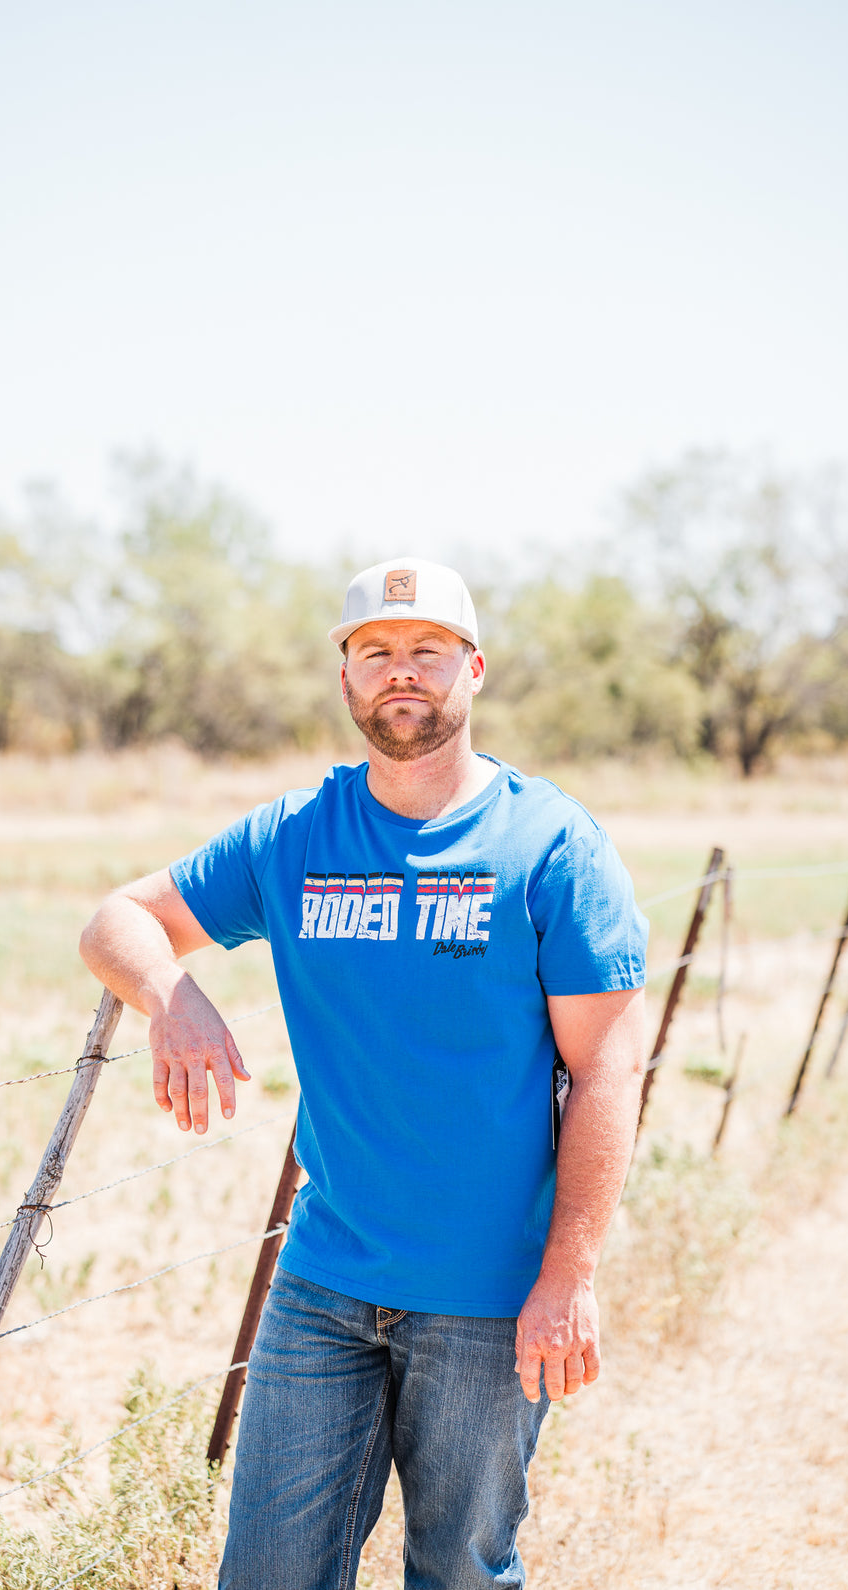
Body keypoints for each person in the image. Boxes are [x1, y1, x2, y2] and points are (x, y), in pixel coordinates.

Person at [79, 556, 648, 1590]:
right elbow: (117, 918)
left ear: (471, 671)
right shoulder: (294, 837)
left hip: (489, 1295)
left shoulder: (550, 845)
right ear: (345, 681)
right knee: (268, 1576)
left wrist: (568, 1277)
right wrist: (174, 995)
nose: (402, 674)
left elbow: (607, 1073)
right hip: (323, 1281)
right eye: (375, 653)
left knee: (461, 1574)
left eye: (426, 653)